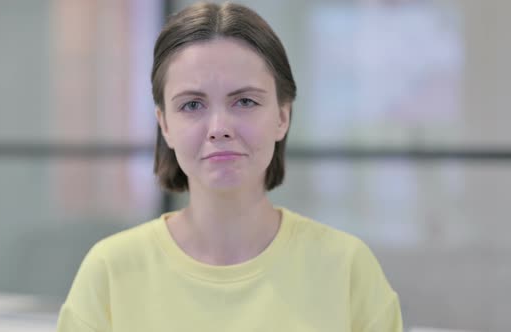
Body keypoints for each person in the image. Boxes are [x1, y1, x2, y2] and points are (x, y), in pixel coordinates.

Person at [57, 2, 403, 331]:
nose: (219, 127)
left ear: (282, 116)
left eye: (245, 101)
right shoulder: (110, 272)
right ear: (164, 125)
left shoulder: (346, 268)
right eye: (192, 104)